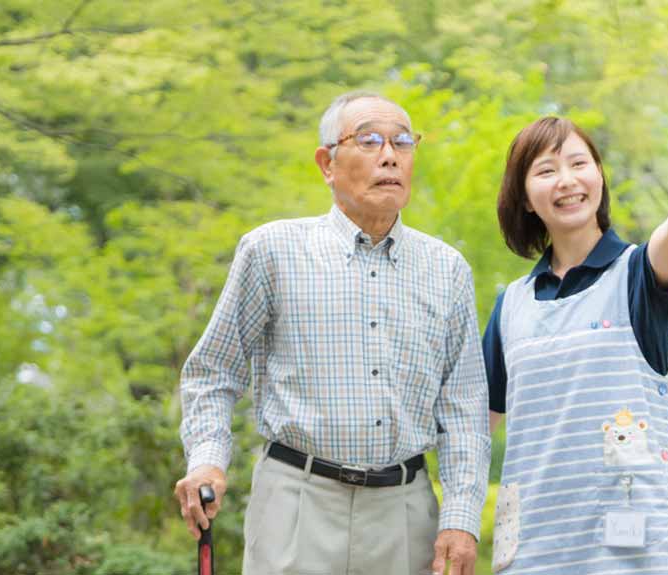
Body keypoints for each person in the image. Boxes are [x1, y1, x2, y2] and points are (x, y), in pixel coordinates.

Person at [173, 90, 490, 575]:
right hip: (294, 502)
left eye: (403, 143)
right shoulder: (271, 250)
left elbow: (464, 409)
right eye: (369, 141)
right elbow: (214, 372)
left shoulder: (446, 268)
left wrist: (462, 519)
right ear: (327, 164)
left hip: (405, 511)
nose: (390, 155)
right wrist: (207, 460)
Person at [481, 116, 668, 573]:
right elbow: (477, 427)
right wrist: (456, 521)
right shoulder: (512, 305)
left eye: (578, 163)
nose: (566, 180)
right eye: (546, 171)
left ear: (599, 177)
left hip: (634, 557)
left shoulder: (637, 275)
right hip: (534, 554)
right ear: (525, 198)